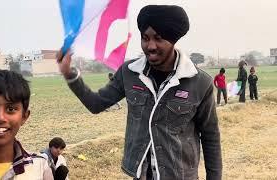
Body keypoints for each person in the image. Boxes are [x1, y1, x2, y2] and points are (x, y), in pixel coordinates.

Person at [57, 5, 222, 180]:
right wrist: (69, 74)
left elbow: (210, 136)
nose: (150, 46)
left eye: (158, 39)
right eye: (145, 38)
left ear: (173, 40)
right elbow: (96, 104)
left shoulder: (199, 82)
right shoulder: (129, 72)